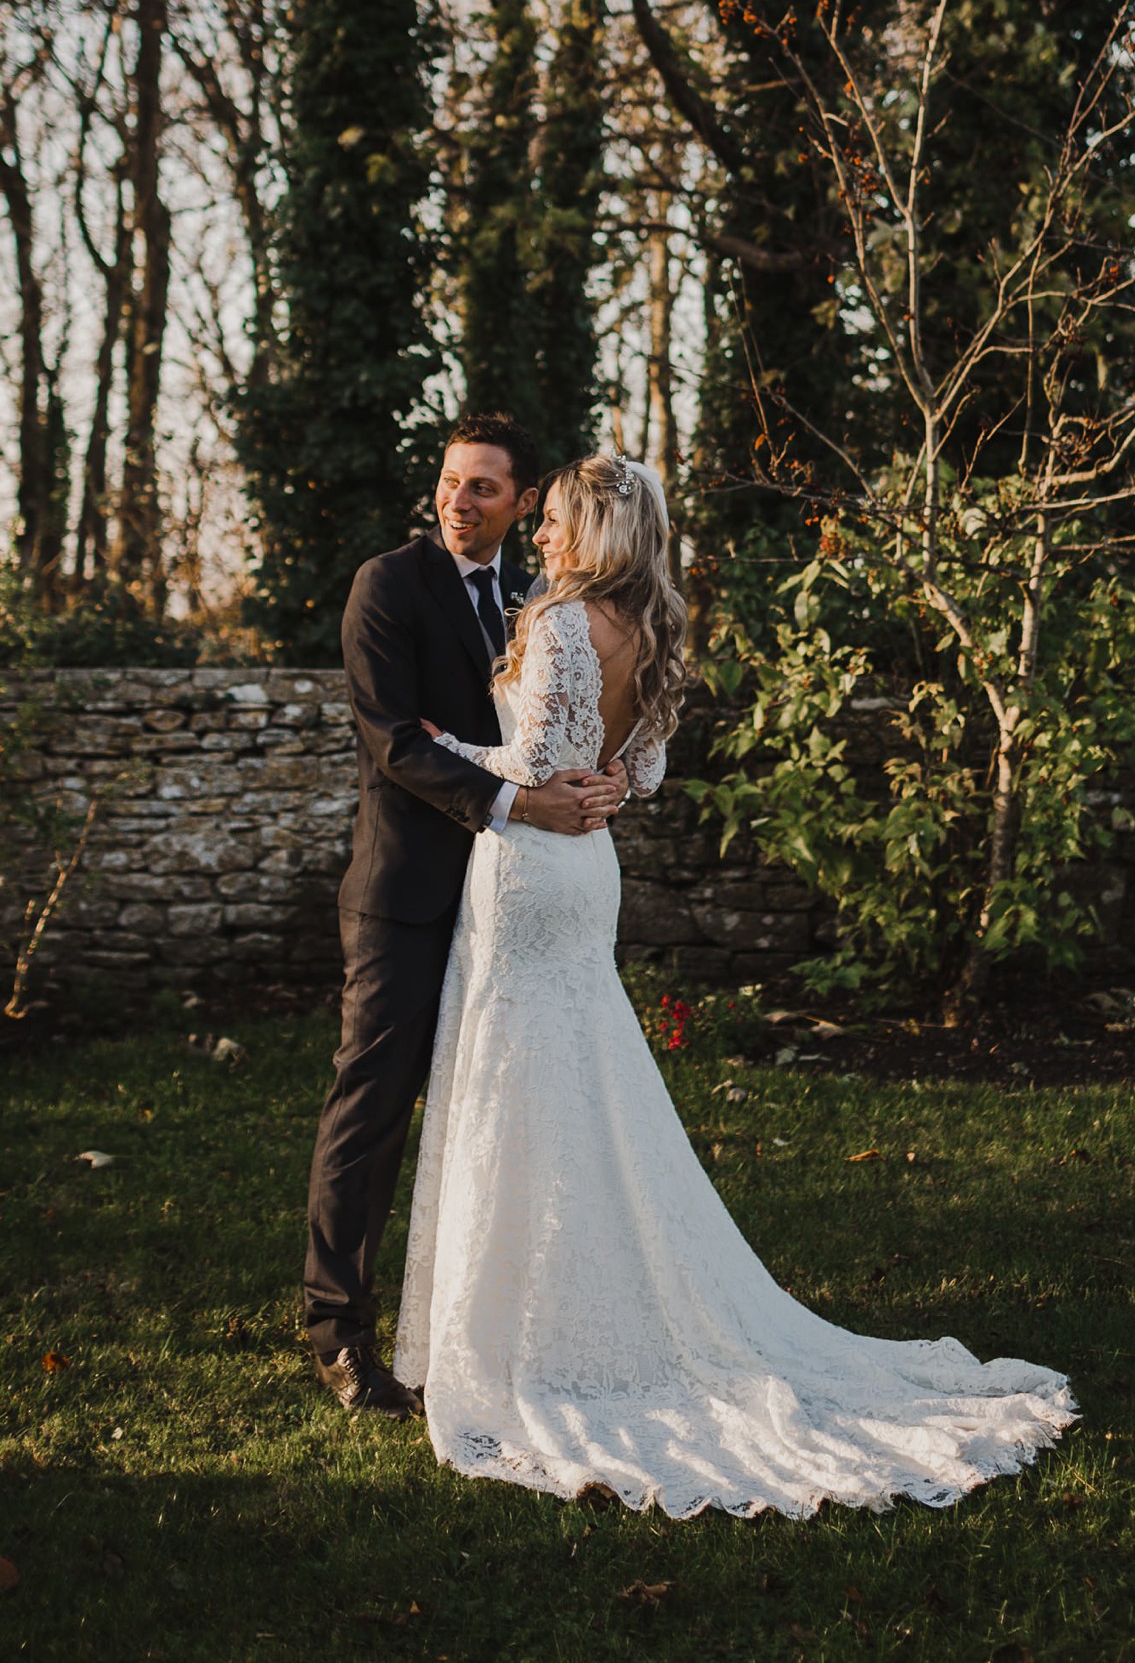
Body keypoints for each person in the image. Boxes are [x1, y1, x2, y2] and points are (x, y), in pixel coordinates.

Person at [396, 451, 1078, 1518]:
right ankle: (578, 1297)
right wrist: (607, 774)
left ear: (591, 534)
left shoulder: (560, 623)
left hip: (532, 866)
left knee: (516, 1081)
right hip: (592, 871)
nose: (537, 538)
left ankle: (524, 1335)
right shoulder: (654, 632)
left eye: (554, 523)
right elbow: (643, 773)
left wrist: (451, 748)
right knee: (580, 1078)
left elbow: (530, 764)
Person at [303, 415, 623, 1415]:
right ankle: (339, 1332)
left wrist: (603, 783)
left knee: (503, 1114)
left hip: (513, 903)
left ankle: (491, 1324)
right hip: (406, 896)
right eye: (450, 481)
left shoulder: (547, 599)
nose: (458, 499)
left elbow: (578, 718)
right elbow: (393, 740)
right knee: (372, 1105)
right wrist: (521, 803)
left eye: (484, 487)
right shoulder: (386, 585)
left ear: (525, 503)